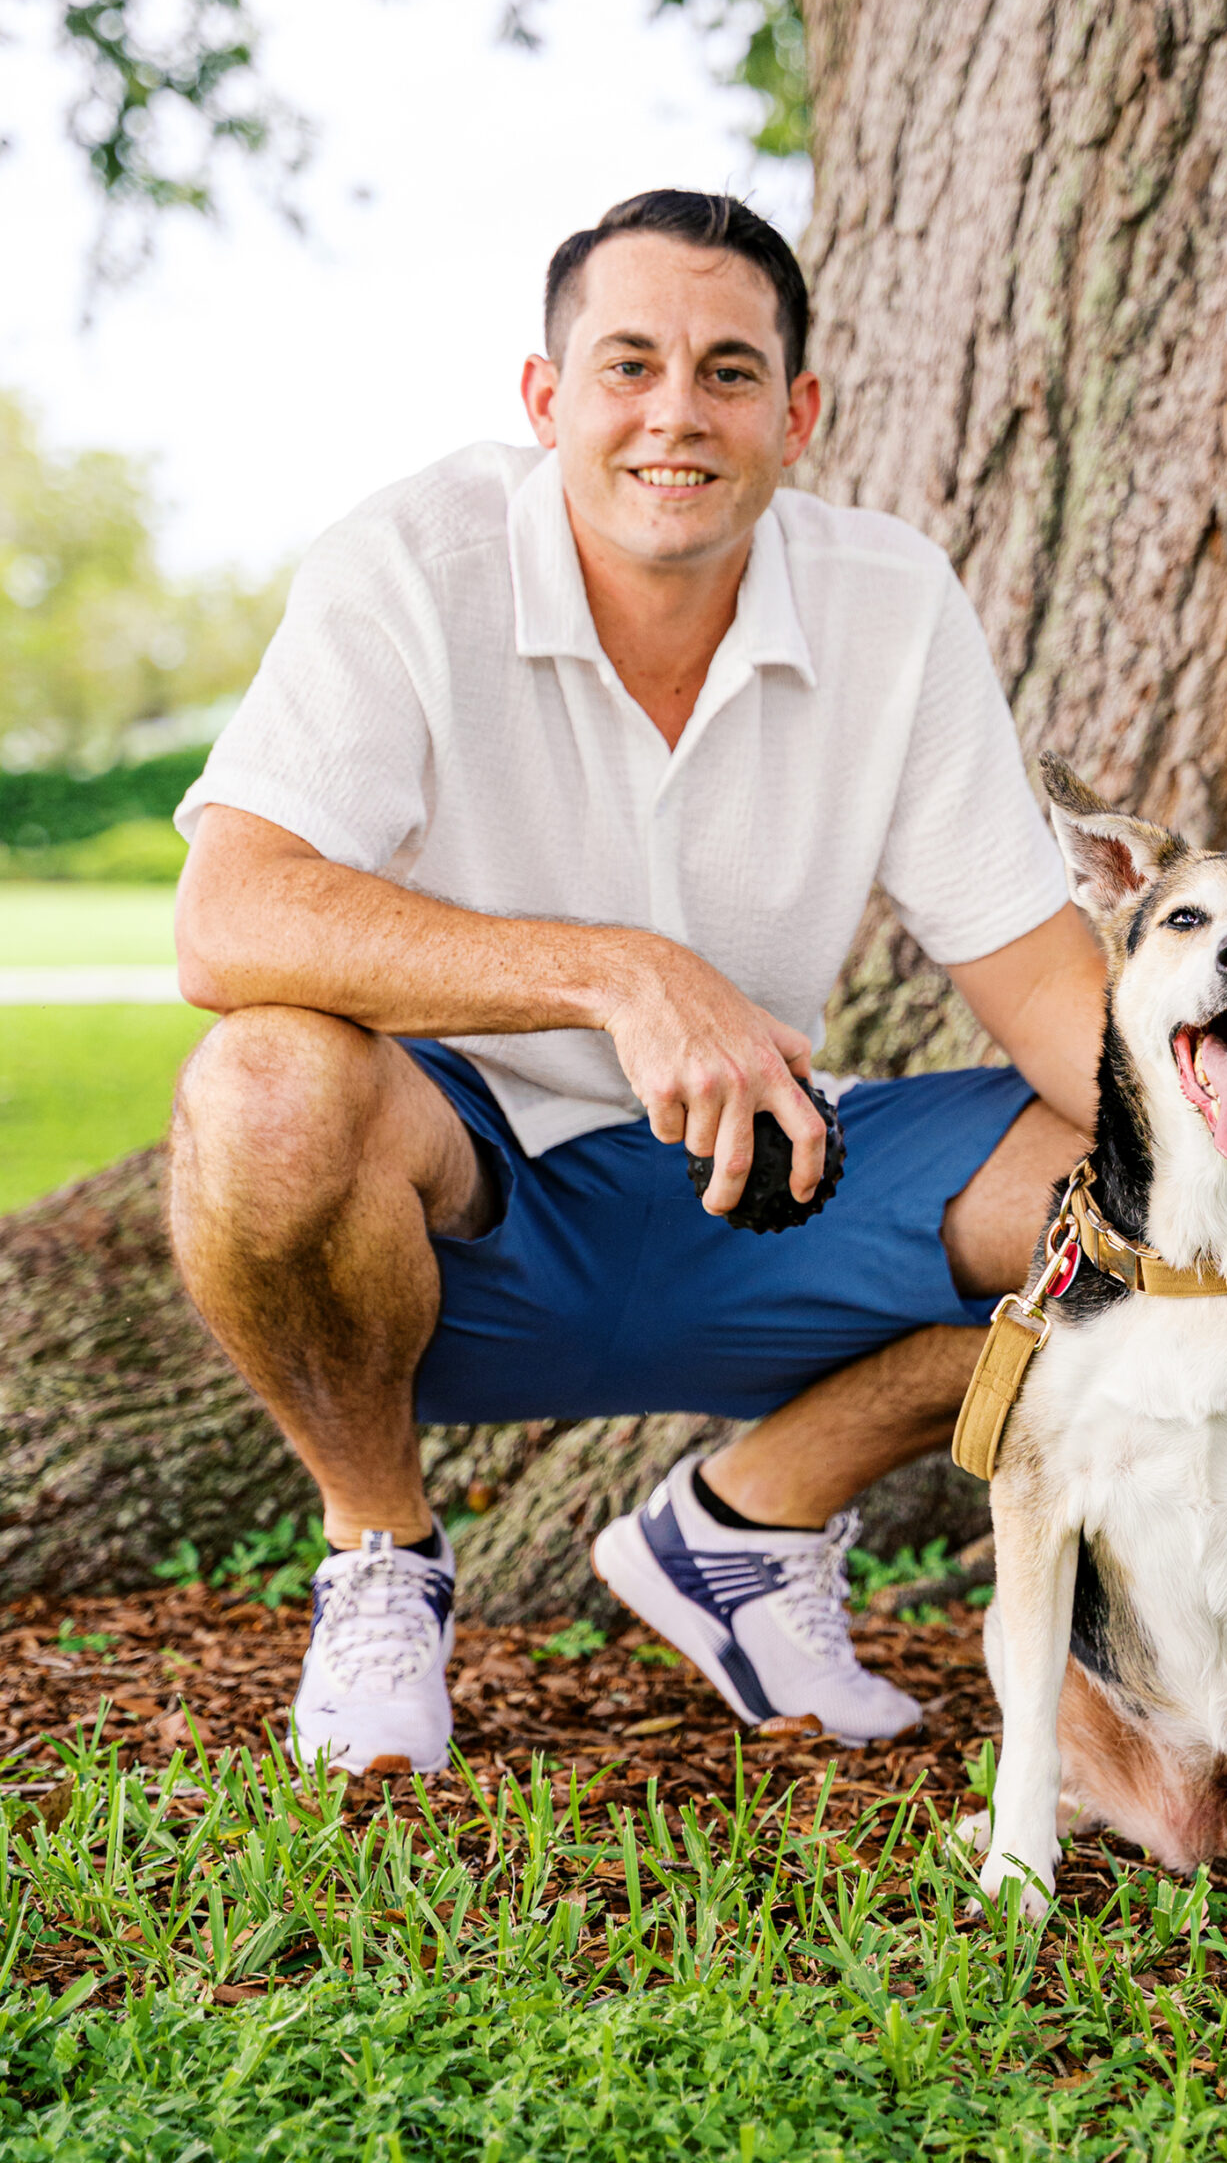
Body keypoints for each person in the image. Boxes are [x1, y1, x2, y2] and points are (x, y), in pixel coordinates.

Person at [169, 189, 1105, 1772]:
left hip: (766, 1176)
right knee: (262, 1088)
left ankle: (749, 1526)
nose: (677, 411)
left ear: (797, 414)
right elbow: (228, 919)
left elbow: (1035, 971)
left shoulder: (890, 601)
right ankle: (381, 1558)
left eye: (730, 372)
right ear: (546, 399)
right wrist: (617, 974)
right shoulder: (414, 558)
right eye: (628, 366)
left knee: (1139, 1209)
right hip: (463, 1199)